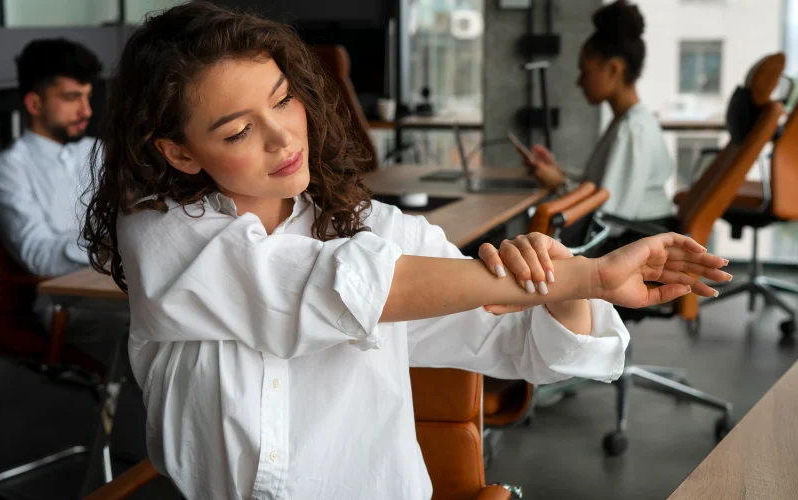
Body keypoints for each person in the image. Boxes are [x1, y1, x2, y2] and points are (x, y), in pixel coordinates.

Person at [81, 3, 731, 499]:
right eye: (240, 129)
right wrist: (582, 272)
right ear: (178, 151)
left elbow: (529, 347)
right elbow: (317, 286)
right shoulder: (159, 233)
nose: (283, 138)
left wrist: (559, 284)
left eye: (285, 101)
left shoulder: (385, 232)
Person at [525, 0, 675, 226]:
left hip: (633, 239)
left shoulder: (633, 130)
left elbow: (607, 216)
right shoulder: (628, 122)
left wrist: (559, 185)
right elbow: (599, 187)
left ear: (614, 69)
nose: (579, 83)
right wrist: (560, 172)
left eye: (585, 73)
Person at [0, 38, 103, 277]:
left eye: (87, 96)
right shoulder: (10, 168)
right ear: (35, 104)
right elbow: (39, 255)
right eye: (72, 98)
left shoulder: (99, 150)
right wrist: (111, 247)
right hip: (71, 301)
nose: (86, 111)